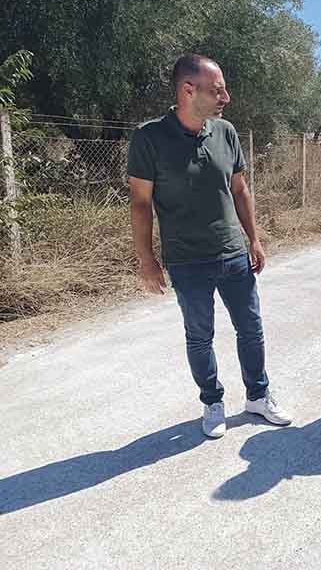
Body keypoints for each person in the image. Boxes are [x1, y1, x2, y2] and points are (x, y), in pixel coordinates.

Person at [127, 54, 291, 438]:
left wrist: (254, 238)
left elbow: (240, 189)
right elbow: (140, 203)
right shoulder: (149, 137)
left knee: (251, 328)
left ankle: (258, 396)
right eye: (217, 91)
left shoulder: (226, 132)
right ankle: (212, 402)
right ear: (189, 90)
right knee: (200, 337)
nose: (226, 98)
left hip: (233, 252)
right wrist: (146, 259)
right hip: (186, 260)